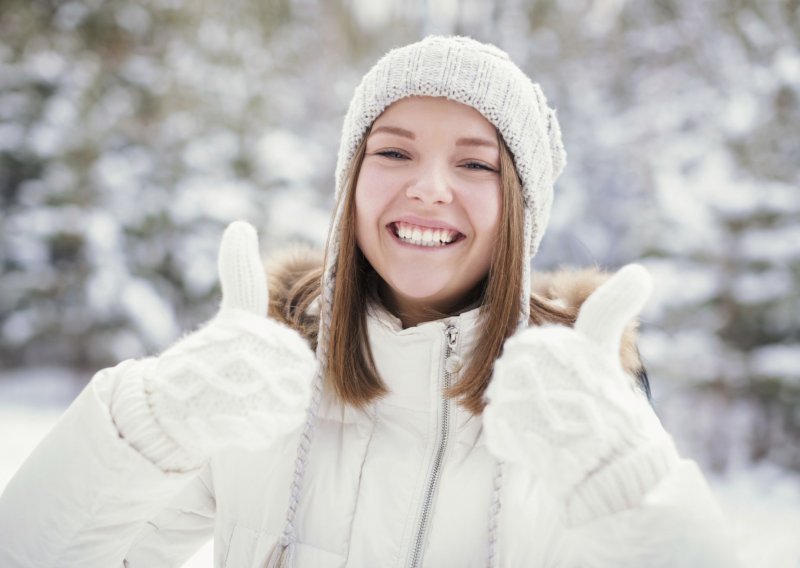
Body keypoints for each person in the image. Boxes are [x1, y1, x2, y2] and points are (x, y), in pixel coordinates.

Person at [0, 36, 740, 567]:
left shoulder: (575, 406)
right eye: (393, 152)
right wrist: (144, 426)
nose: (428, 187)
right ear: (350, 187)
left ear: (521, 209)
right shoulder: (262, 376)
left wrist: (632, 491)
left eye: (474, 163)